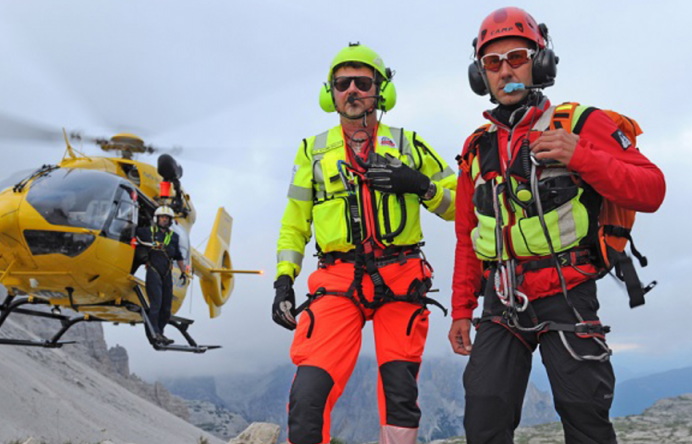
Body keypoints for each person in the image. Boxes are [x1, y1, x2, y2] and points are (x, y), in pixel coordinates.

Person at [449, 7, 666, 444]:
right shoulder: (476, 148)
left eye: (517, 56)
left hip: (568, 293)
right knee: (484, 416)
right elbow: (467, 236)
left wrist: (580, 155)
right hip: (501, 300)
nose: (505, 69)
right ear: (481, 75)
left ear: (541, 62)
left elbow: (651, 189)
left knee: (584, 414)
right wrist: (460, 309)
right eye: (493, 62)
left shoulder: (580, 124)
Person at [272, 42, 457, 444]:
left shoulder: (409, 144)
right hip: (337, 281)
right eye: (342, 83)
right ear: (330, 93)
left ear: (381, 90)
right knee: (307, 398)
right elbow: (294, 225)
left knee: (400, 397)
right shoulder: (312, 151)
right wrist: (283, 280)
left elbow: (460, 204)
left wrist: (421, 185)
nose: (351, 90)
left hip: (402, 277)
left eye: (362, 82)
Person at [136, 205, 188, 345]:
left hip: (167, 274)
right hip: (153, 272)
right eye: (162, 217)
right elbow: (131, 230)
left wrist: (183, 272)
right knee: (156, 304)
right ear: (156, 219)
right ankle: (154, 334)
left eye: (167, 218)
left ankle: (160, 332)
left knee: (166, 308)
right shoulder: (147, 232)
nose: (164, 220)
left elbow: (178, 256)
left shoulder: (174, 237)